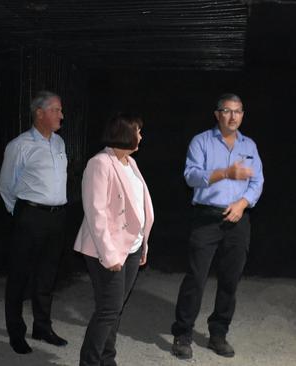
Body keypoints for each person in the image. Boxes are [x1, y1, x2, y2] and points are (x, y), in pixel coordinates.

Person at [171, 93, 264, 359]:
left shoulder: (250, 145)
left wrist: (242, 204)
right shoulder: (201, 141)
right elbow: (191, 176)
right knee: (196, 277)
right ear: (217, 115)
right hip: (207, 217)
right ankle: (183, 333)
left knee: (230, 280)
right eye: (227, 111)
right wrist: (225, 172)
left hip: (238, 217)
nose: (233, 116)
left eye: (238, 111)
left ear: (243, 115)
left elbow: (258, 182)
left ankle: (218, 333)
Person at [74, 113, 154, 366]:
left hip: (131, 247)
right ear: (124, 133)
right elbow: (95, 212)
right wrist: (108, 255)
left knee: (115, 309)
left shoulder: (129, 162)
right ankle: (89, 362)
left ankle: (108, 360)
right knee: (108, 309)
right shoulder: (100, 164)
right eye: (137, 130)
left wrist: (142, 244)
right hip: (105, 250)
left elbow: (138, 207)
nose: (141, 136)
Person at [0, 90, 69, 353]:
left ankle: (42, 326)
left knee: (47, 275)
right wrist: (20, 214)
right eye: (56, 110)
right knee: (19, 275)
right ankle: (16, 332)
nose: (61, 115)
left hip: (57, 217)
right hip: (30, 216)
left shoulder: (60, 143)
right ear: (40, 113)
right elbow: (6, 185)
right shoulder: (20, 145)